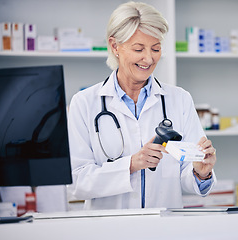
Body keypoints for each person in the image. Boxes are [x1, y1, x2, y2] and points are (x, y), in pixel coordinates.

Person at [67, 1, 217, 210]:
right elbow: (77, 181)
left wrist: (201, 172)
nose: (149, 58)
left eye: (156, 48)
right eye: (139, 49)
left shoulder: (179, 99)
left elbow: (186, 173)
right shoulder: (84, 103)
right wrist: (131, 164)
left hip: (164, 228)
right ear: (114, 46)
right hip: (110, 229)